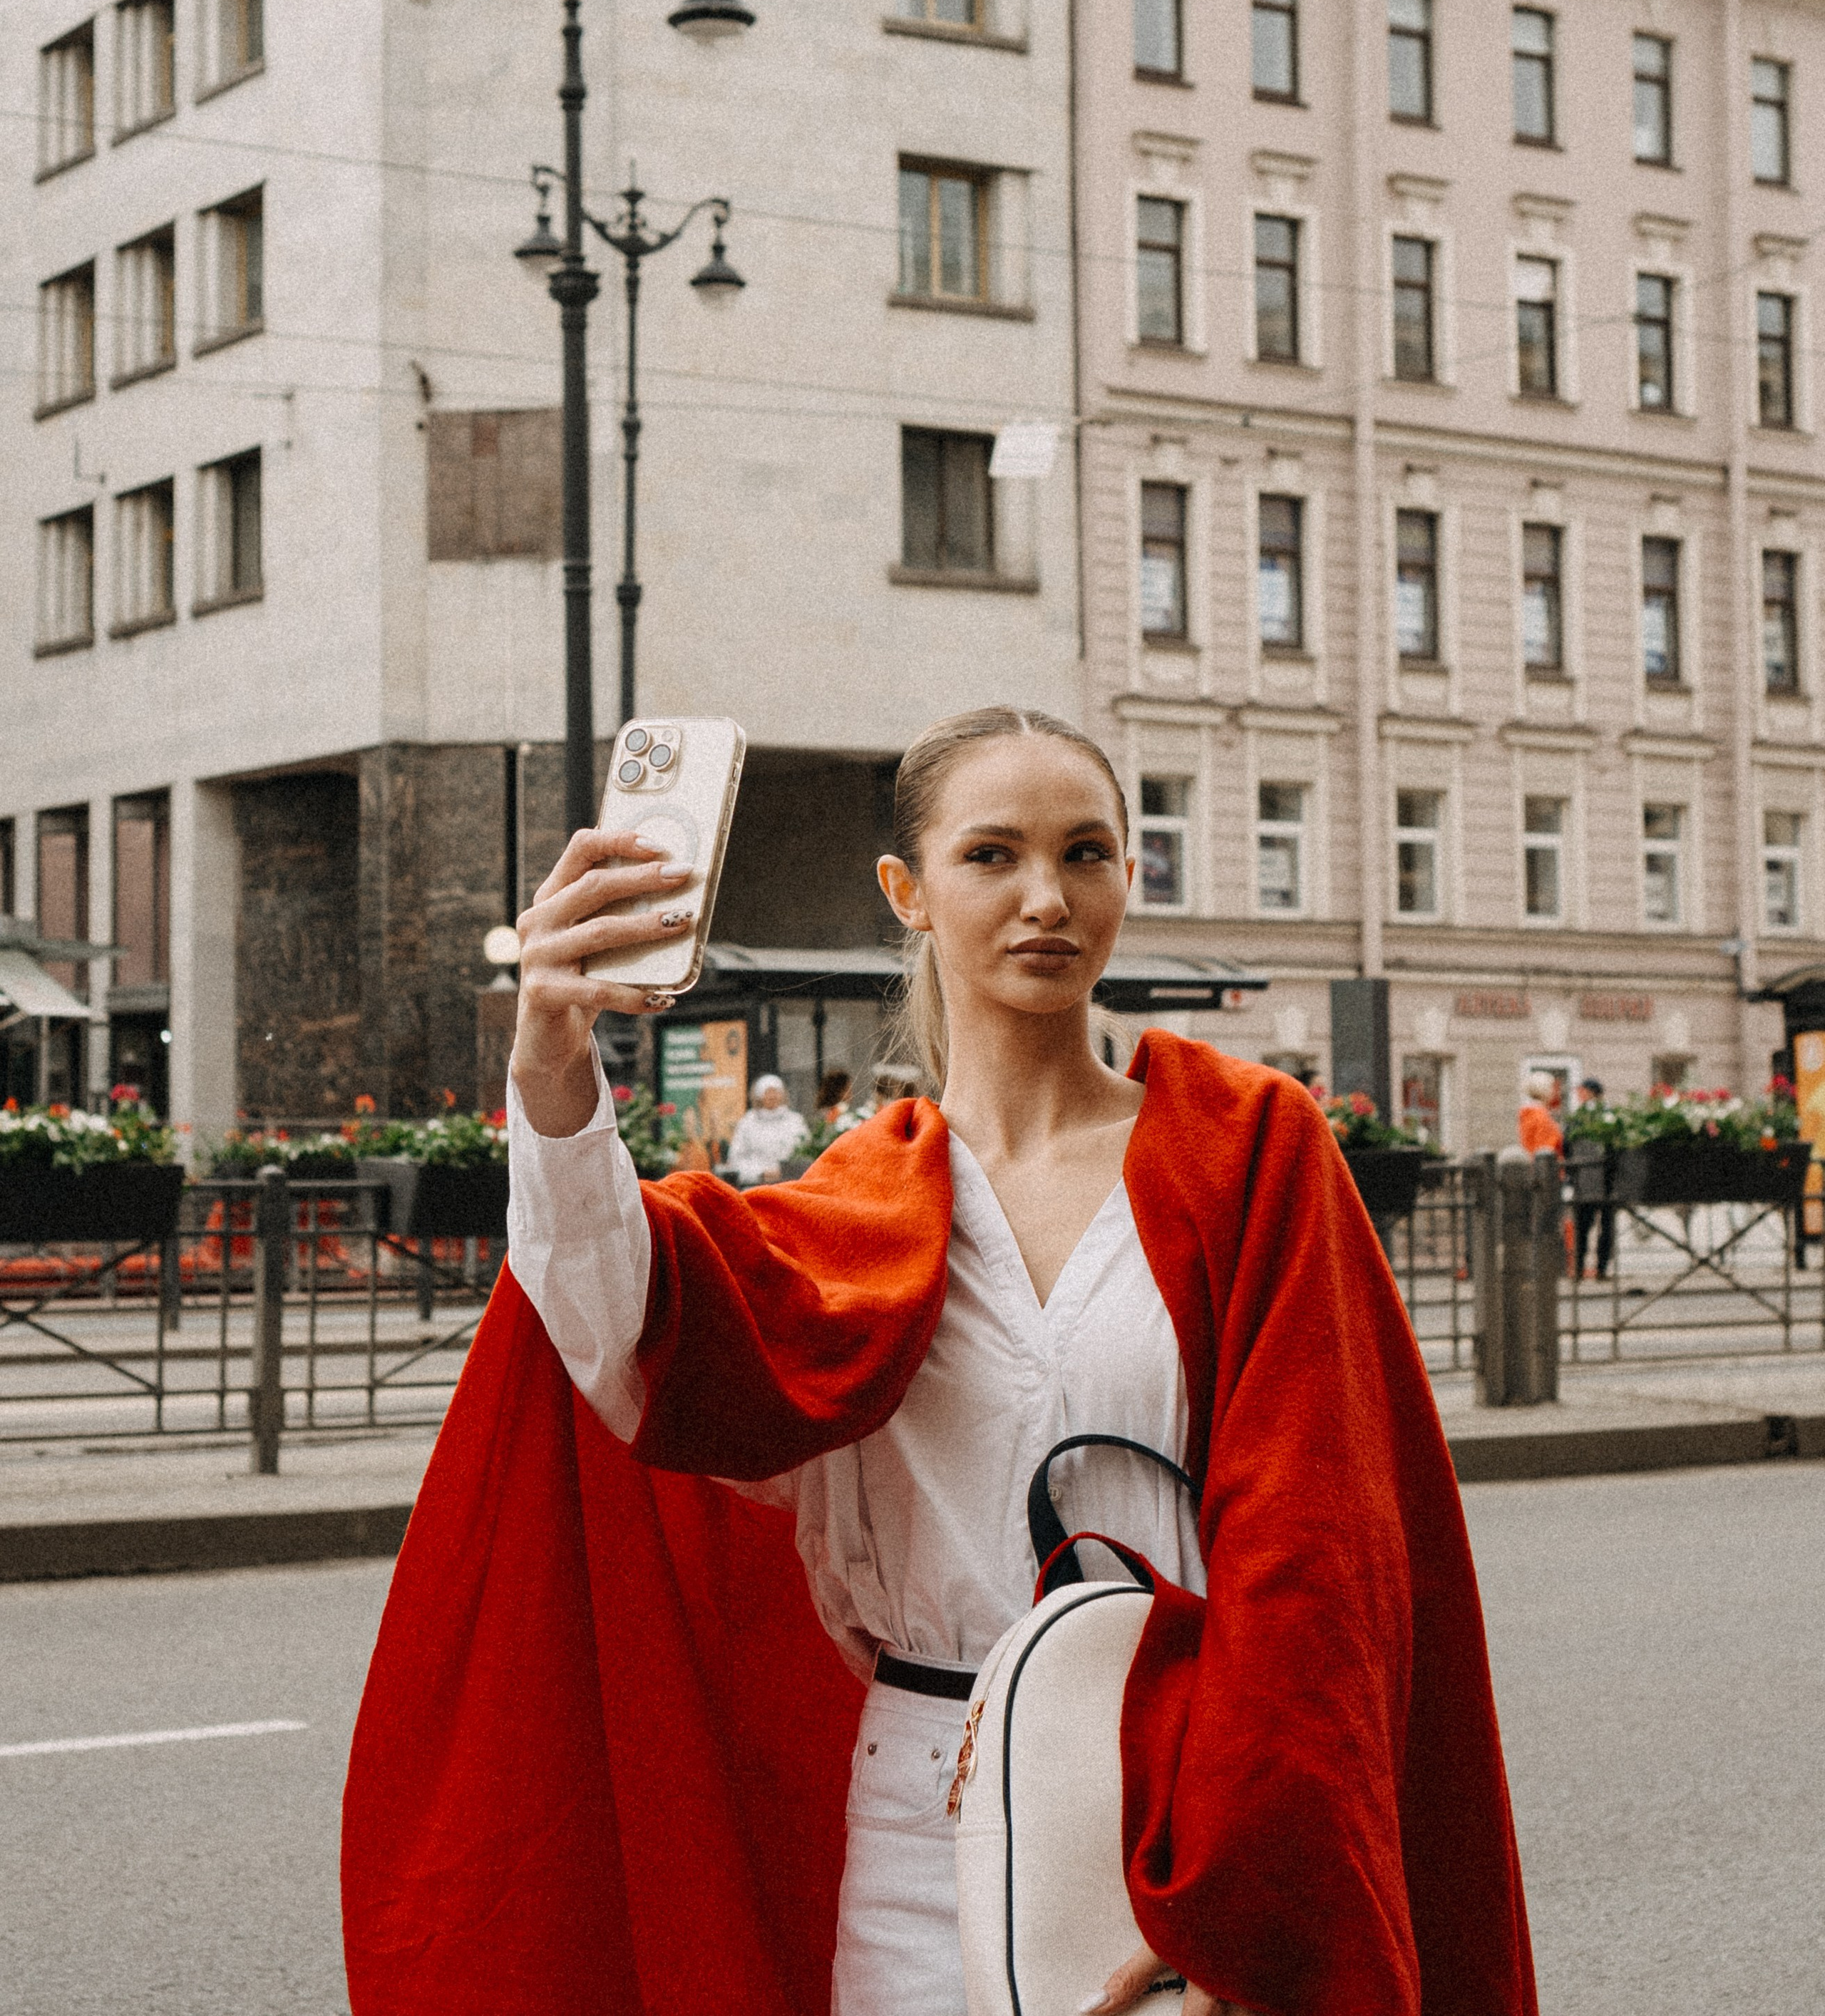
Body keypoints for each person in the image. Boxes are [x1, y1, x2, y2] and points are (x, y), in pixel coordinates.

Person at [344, 706, 1536, 2016]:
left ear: (1130, 879)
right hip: (919, 1808)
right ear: (905, 893)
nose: (1047, 898)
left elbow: (1322, 1562)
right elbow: (613, 1320)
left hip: (1184, 1799)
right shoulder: (850, 1203)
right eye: (992, 856)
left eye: (1087, 853)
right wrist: (551, 1059)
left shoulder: (1252, 1150)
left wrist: (1252, 1897)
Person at [723, 1070, 811, 1186]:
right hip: (756, 1185)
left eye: (776, 1092)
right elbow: (736, 1159)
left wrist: (787, 1171)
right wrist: (760, 1173)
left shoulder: (796, 1121)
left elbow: (807, 1153)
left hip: (790, 1184)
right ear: (759, 1095)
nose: (772, 1096)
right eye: (768, 1092)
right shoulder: (748, 1122)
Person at [1572, 1076, 1616, 1280]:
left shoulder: (1597, 1116)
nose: (1579, 1095)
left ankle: (1596, 1269)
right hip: (1591, 1178)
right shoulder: (1580, 1116)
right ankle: (1587, 1268)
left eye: (1582, 1091)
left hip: (1596, 1178)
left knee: (1598, 1227)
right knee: (1586, 1227)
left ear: (1590, 1093)